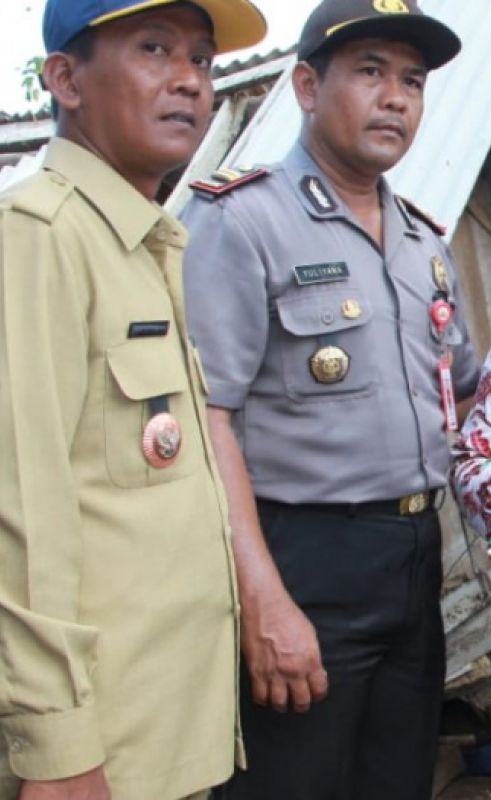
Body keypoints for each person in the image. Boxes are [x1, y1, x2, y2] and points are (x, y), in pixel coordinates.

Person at [179, 2, 478, 798]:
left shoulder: (425, 243)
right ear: (308, 86)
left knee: (394, 780)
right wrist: (265, 603)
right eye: (371, 72)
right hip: (302, 561)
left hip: (416, 562)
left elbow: (467, 392)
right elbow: (206, 420)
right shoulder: (243, 220)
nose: (396, 98)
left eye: (411, 80)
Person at [0, 2, 266, 799]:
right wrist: (57, 746)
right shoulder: (38, 237)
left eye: (202, 60)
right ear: (66, 79)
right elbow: (19, 516)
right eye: (154, 49)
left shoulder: (145, 241)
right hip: (94, 757)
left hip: (165, 736)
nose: (189, 80)